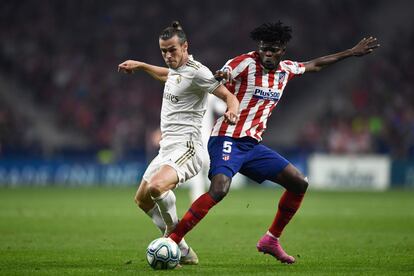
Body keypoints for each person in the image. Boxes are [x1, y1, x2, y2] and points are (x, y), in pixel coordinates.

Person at [167, 22, 380, 264]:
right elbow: (225, 72)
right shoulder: (245, 62)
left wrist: (351, 52)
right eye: (264, 48)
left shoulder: (286, 70)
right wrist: (223, 75)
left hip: (252, 146)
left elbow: (315, 65)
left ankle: (271, 239)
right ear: (259, 48)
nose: (267, 53)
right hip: (226, 137)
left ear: (282, 51)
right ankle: (173, 240)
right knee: (220, 188)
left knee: (299, 183)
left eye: (273, 49)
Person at [118, 21, 239, 265]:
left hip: (188, 147)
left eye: (172, 50)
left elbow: (229, 96)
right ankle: (181, 248)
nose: (168, 55)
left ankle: (173, 238)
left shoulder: (198, 72)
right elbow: (168, 75)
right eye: (163, 51)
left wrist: (233, 111)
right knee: (142, 199)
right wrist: (141, 65)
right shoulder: (175, 69)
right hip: (167, 148)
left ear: (185, 47)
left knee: (157, 187)